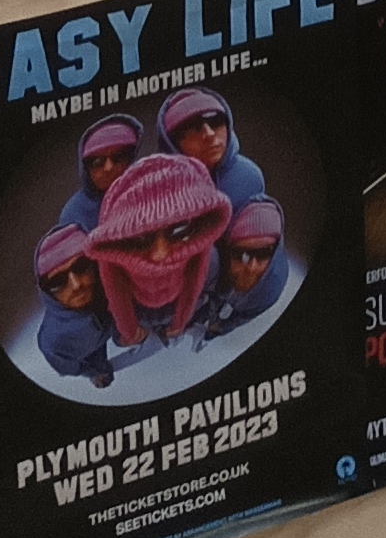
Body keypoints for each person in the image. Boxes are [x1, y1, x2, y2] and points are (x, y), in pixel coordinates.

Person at [83, 149, 233, 366]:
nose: (160, 254)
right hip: (138, 309)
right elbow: (114, 288)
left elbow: (198, 278)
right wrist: (128, 328)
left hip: (177, 303)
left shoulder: (208, 256)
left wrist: (181, 319)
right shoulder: (112, 261)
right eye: (140, 238)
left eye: (178, 230)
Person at [159, 84, 270, 217]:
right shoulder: (161, 190)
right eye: (192, 127)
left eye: (216, 121)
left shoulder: (248, 176)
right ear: (172, 143)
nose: (209, 134)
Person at [34, 224, 117, 386]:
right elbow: (68, 367)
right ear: (46, 292)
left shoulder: (113, 288)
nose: (76, 284)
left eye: (81, 266)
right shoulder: (53, 341)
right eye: (57, 281)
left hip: (105, 332)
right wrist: (91, 371)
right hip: (87, 352)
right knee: (97, 362)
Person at [201, 197, 288, 337]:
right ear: (228, 251)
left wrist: (222, 328)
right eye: (241, 254)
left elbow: (246, 315)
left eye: (263, 253)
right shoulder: (212, 262)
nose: (251, 267)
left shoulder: (272, 287)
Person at [56, 114, 145, 232]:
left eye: (119, 157)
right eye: (97, 162)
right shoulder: (74, 213)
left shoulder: (148, 191)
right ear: (86, 169)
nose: (109, 167)